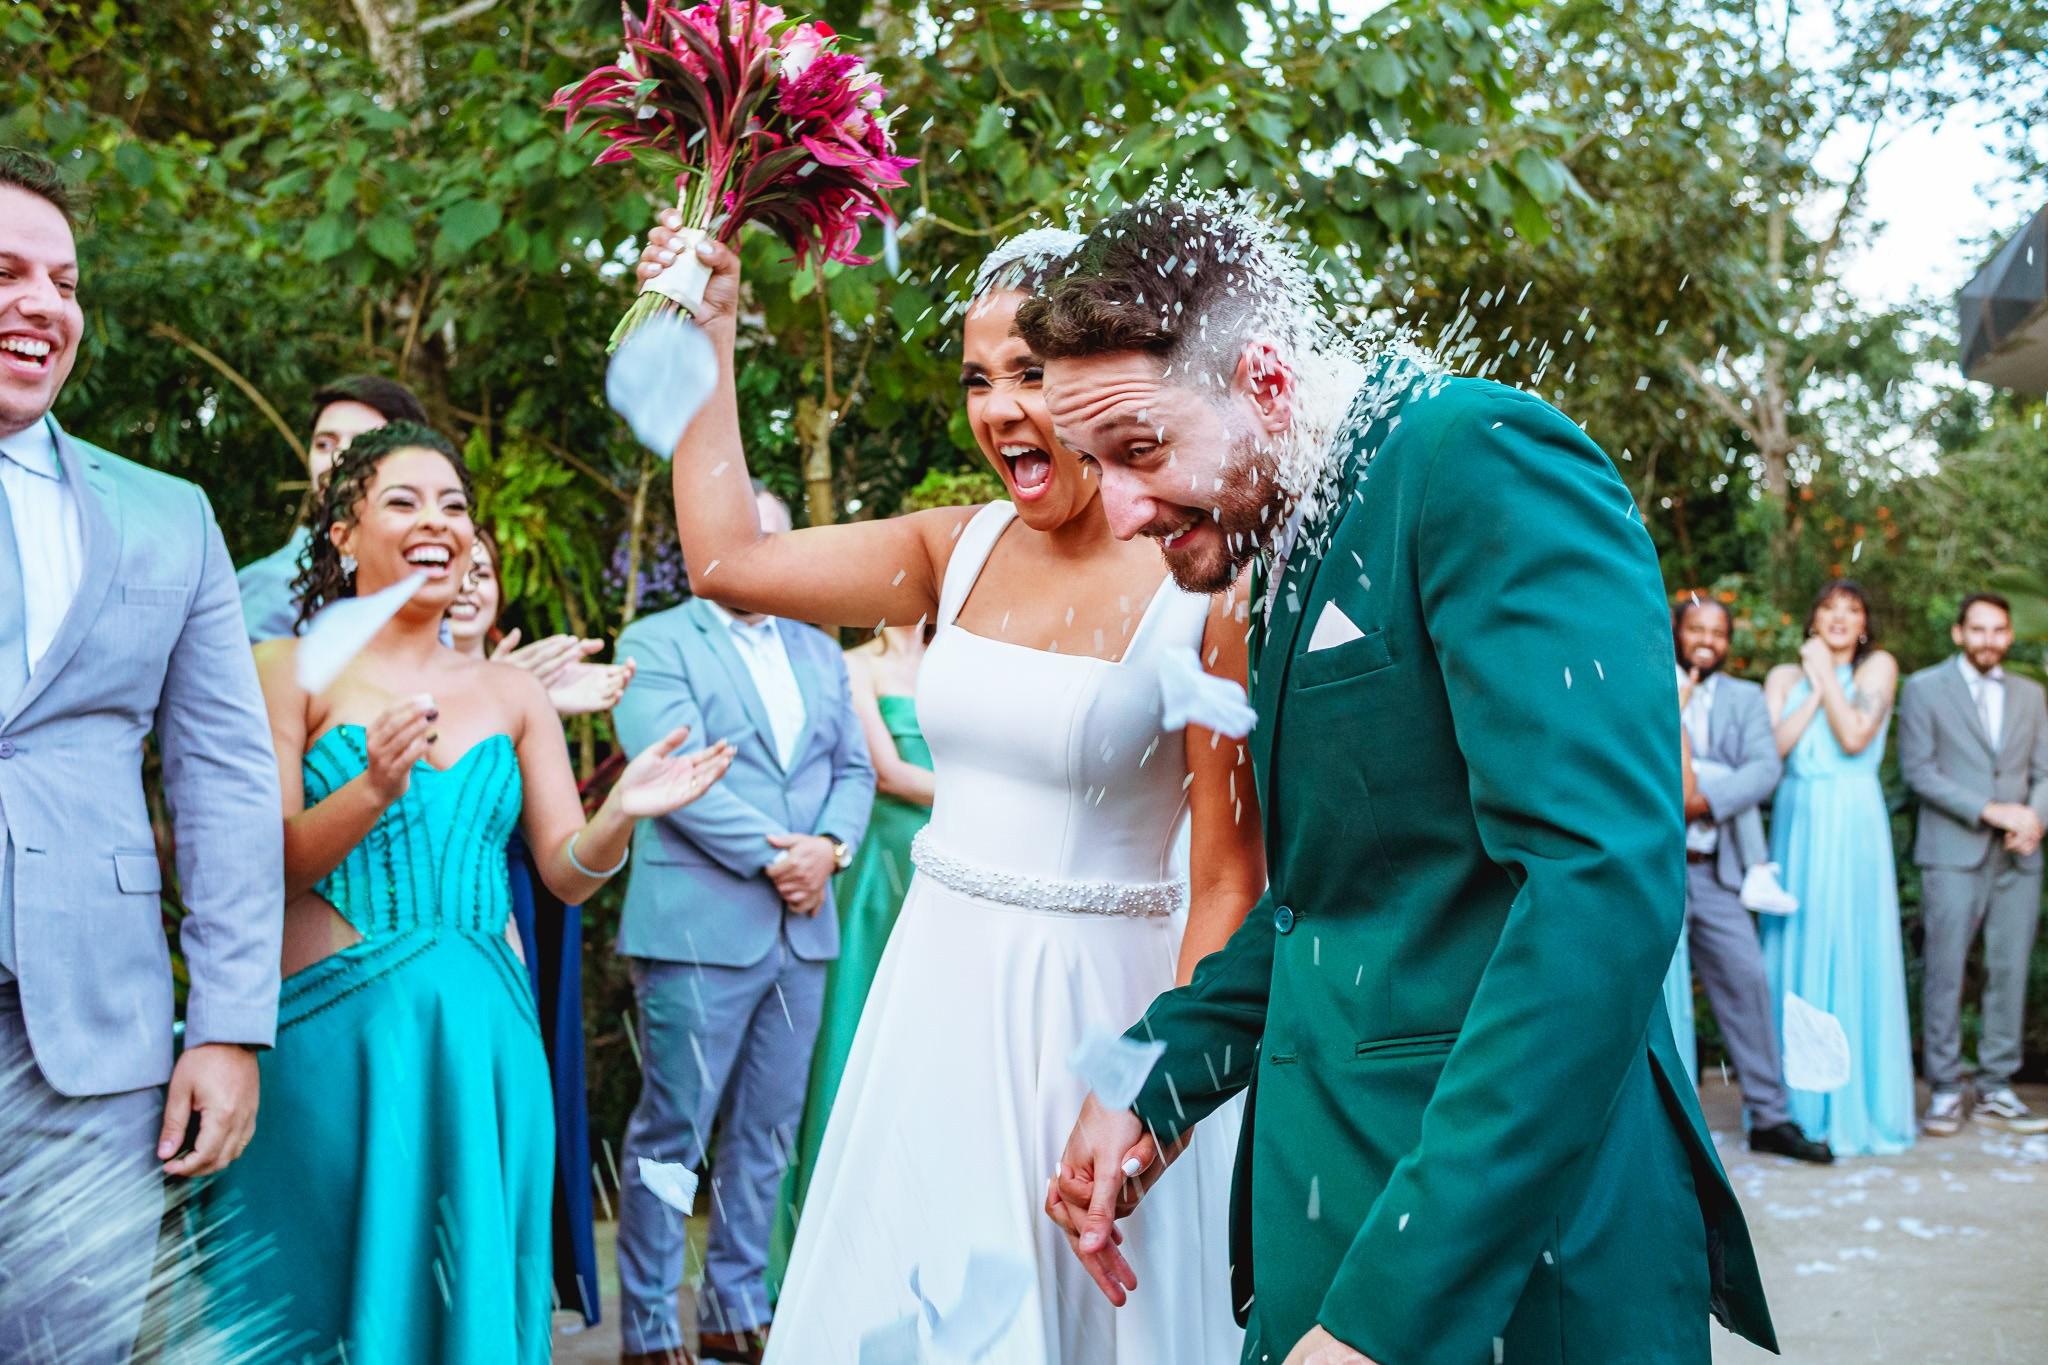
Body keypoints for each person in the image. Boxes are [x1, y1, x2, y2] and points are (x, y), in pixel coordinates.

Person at [1032, 196, 1773, 1365]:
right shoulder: (1277, 524)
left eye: (1138, 451)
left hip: (1494, 1269)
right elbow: (1323, 900)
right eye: (1093, 463)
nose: (1118, 507)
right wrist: (1145, 1077)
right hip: (1322, 1225)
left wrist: (1389, 1312)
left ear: (1264, 382)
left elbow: (1594, 895)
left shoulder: (1475, 459)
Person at [634, 218, 1264, 1365]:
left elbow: (1225, 887)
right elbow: (724, 557)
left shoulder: (1198, 583)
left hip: (1104, 1020)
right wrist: (709, 337)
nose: (999, 409)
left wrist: (1146, 1096)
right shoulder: (952, 549)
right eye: (978, 379)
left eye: (1029, 373)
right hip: (936, 1005)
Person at [194, 421, 733, 1364]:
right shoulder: (282, 669)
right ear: (339, 534)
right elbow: (263, 867)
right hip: (336, 1047)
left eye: (454, 505)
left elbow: (564, 866)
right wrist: (370, 791)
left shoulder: (510, 693)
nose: (436, 521)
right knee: (322, 1305)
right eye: (403, 501)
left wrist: (623, 815)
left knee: (470, 1308)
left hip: (488, 1047)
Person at [0, 147, 283, 1365]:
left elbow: (223, 777)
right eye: (5, 272)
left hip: (90, 1040)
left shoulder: (171, 516)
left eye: (64, 282)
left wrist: (226, 1025)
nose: (44, 304)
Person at [609, 482, 877, 1365]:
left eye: (771, 537)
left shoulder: (818, 644)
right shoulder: (654, 641)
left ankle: (735, 1306)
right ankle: (647, 1322)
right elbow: (675, 775)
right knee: (673, 1131)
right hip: (698, 924)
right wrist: (779, 855)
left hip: (802, 930)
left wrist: (829, 849)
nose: (755, 549)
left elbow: (853, 768)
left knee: (767, 1131)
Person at [446, 527, 638, 1325]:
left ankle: (505, 1299)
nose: (466, 581)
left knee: (506, 1118)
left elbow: (563, 845)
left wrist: (533, 707)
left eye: (483, 570)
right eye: (453, 564)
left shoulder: (518, 695)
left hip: (516, 905)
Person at [767, 619, 934, 1293]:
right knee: (856, 1034)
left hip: (961, 863)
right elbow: (887, 771)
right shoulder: (853, 663)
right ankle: (830, 1244)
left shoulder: (963, 653)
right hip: (884, 871)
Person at [1760, 579, 1915, 1157]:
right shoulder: (1781, 678)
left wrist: (1824, 673)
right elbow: (1772, 752)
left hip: (1853, 820)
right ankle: (1794, 1112)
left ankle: (1856, 1107)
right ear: (1812, 619)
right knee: (1798, 950)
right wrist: (1807, 679)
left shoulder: (1879, 669)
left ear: (1865, 624)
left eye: (1852, 609)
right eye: (1828, 607)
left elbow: (1853, 736)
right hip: (1799, 820)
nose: (1840, 616)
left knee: (1852, 947)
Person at [1674, 599, 1832, 1163]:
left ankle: (1771, 1118)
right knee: (1652, 999)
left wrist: (1703, 800)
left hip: (1716, 873)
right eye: (1697, 629)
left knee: (1747, 983)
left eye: (1718, 633)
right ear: (1678, 631)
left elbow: (1765, 770)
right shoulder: (1649, 685)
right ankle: (1655, 1127)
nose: (1707, 640)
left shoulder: (1744, 697)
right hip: (1656, 870)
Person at [1897, 591, 2048, 1137]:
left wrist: (2033, 819)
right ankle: (1942, 1087)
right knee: (1945, 970)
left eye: (1999, 630)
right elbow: (1919, 771)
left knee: (2009, 971)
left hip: (2019, 854)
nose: (1989, 640)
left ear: (2009, 636)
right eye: (1978, 630)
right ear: (1959, 633)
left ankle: (1996, 1086)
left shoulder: (2031, 695)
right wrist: (1992, 810)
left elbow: (2044, 771)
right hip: (1951, 850)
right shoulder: (1922, 688)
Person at [236, 373, 428, 642]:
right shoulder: (272, 586)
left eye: (366, 442)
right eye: (325, 444)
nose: (339, 459)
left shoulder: (425, 577)